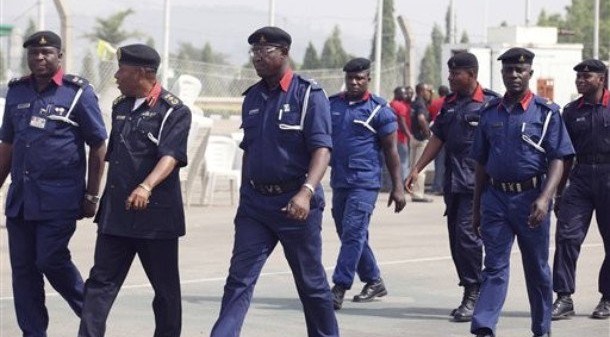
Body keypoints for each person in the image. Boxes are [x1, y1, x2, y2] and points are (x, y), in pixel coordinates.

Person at [209, 26, 339, 337]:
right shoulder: (252, 97)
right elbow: (249, 150)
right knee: (239, 279)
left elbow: (322, 149)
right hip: (255, 206)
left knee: (311, 284)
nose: (257, 58)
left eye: (265, 52)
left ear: (284, 53)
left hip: (295, 205)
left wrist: (306, 193)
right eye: (254, 52)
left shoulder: (309, 95)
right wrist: (244, 196)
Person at [78, 44, 191, 337]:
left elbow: (172, 156)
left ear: (142, 73)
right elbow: (115, 156)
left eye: (122, 70)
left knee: (165, 293)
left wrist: (146, 186)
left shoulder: (173, 111)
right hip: (116, 216)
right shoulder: (120, 106)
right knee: (99, 287)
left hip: (155, 220)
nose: (116, 76)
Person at [0, 30, 107, 337]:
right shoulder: (17, 92)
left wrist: (92, 194)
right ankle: (33, 333)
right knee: (23, 273)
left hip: (59, 199)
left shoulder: (77, 93)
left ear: (60, 56)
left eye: (47, 53)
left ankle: (91, 314)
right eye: (34, 53)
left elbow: (99, 145)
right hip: (21, 201)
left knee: (50, 259)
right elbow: (7, 145)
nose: (40, 58)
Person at [469, 47, 574, 337]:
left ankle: (541, 329)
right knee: (494, 266)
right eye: (508, 70)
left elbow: (559, 158)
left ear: (530, 73)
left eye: (519, 70)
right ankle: (484, 326)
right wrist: (477, 207)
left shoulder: (547, 112)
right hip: (496, 199)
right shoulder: (489, 113)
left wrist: (545, 197)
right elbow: (481, 162)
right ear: (501, 73)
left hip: (531, 200)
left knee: (537, 269)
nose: (513, 75)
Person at [405, 52, 499, 322]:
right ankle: (472, 288)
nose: (449, 77)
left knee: (468, 240)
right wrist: (416, 168)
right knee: (457, 243)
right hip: (454, 184)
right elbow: (438, 138)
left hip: (478, 185)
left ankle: (474, 292)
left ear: (471, 75)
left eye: (455, 73)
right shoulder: (449, 105)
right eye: (449, 72)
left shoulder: (490, 104)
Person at [328, 58, 406, 310]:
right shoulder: (333, 105)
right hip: (340, 181)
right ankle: (374, 280)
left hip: (365, 182)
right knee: (348, 233)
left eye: (359, 78)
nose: (354, 82)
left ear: (367, 79)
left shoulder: (379, 110)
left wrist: (398, 187)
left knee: (353, 231)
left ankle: (339, 287)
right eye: (350, 78)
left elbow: (392, 152)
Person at [551, 59, 610, 320]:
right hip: (581, 177)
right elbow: (564, 155)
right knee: (567, 236)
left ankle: (607, 298)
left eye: (587, 76)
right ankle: (564, 297)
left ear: (602, 79)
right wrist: (558, 192)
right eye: (578, 77)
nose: (581, 80)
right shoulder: (572, 111)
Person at [409, 82, 433, 202]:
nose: (429, 93)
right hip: (421, 138)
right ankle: (418, 194)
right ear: (422, 91)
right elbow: (421, 119)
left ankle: (413, 192)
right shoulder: (421, 104)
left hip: (413, 137)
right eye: (428, 91)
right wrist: (428, 133)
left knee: (414, 167)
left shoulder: (414, 103)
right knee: (420, 168)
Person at [429, 84, 450, 195]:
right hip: (450, 135)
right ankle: (445, 185)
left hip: (437, 134)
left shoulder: (434, 103)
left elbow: (430, 116)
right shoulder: (451, 102)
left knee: (439, 163)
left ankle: (437, 186)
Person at [390, 86, 413, 181]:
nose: (406, 95)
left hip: (391, 137)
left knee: (391, 161)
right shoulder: (401, 106)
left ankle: (389, 184)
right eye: (404, 93)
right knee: (403, 161)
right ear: (398, 94)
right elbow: (402, 123)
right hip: (401, 138)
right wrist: (409, 135)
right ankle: (403, 182)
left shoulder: (390, 104)